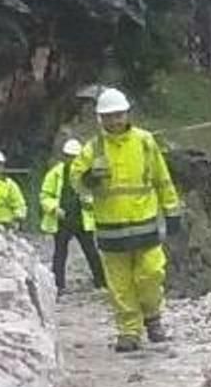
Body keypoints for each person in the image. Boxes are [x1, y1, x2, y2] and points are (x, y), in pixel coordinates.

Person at [70, 87, 184, 353]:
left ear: (127, 114)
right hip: (111, 230)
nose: (114, 121)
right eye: (108, 116)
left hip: (145, 224)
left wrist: (172, 210)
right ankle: (129, 331)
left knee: (151, 273)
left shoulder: (144, 141)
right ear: (100, 118)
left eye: (118, 115)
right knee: (119, 285)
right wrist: (89, 178)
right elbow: (76, 180)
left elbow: (162, 178)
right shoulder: (93, 148)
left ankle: (153, 317)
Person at [41, 139, 106, 293]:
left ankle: (101, 282)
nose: (72, 160)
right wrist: (54, 208)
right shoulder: (55, 174)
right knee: (60, 253)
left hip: (82, 220)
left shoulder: (88, 174)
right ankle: (58, 285)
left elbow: (98, 194)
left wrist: (90, 202)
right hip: (63, 220)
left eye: (75, 156)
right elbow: (45, 195)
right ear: (64, 157)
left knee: (91, 251)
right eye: (69, 156)